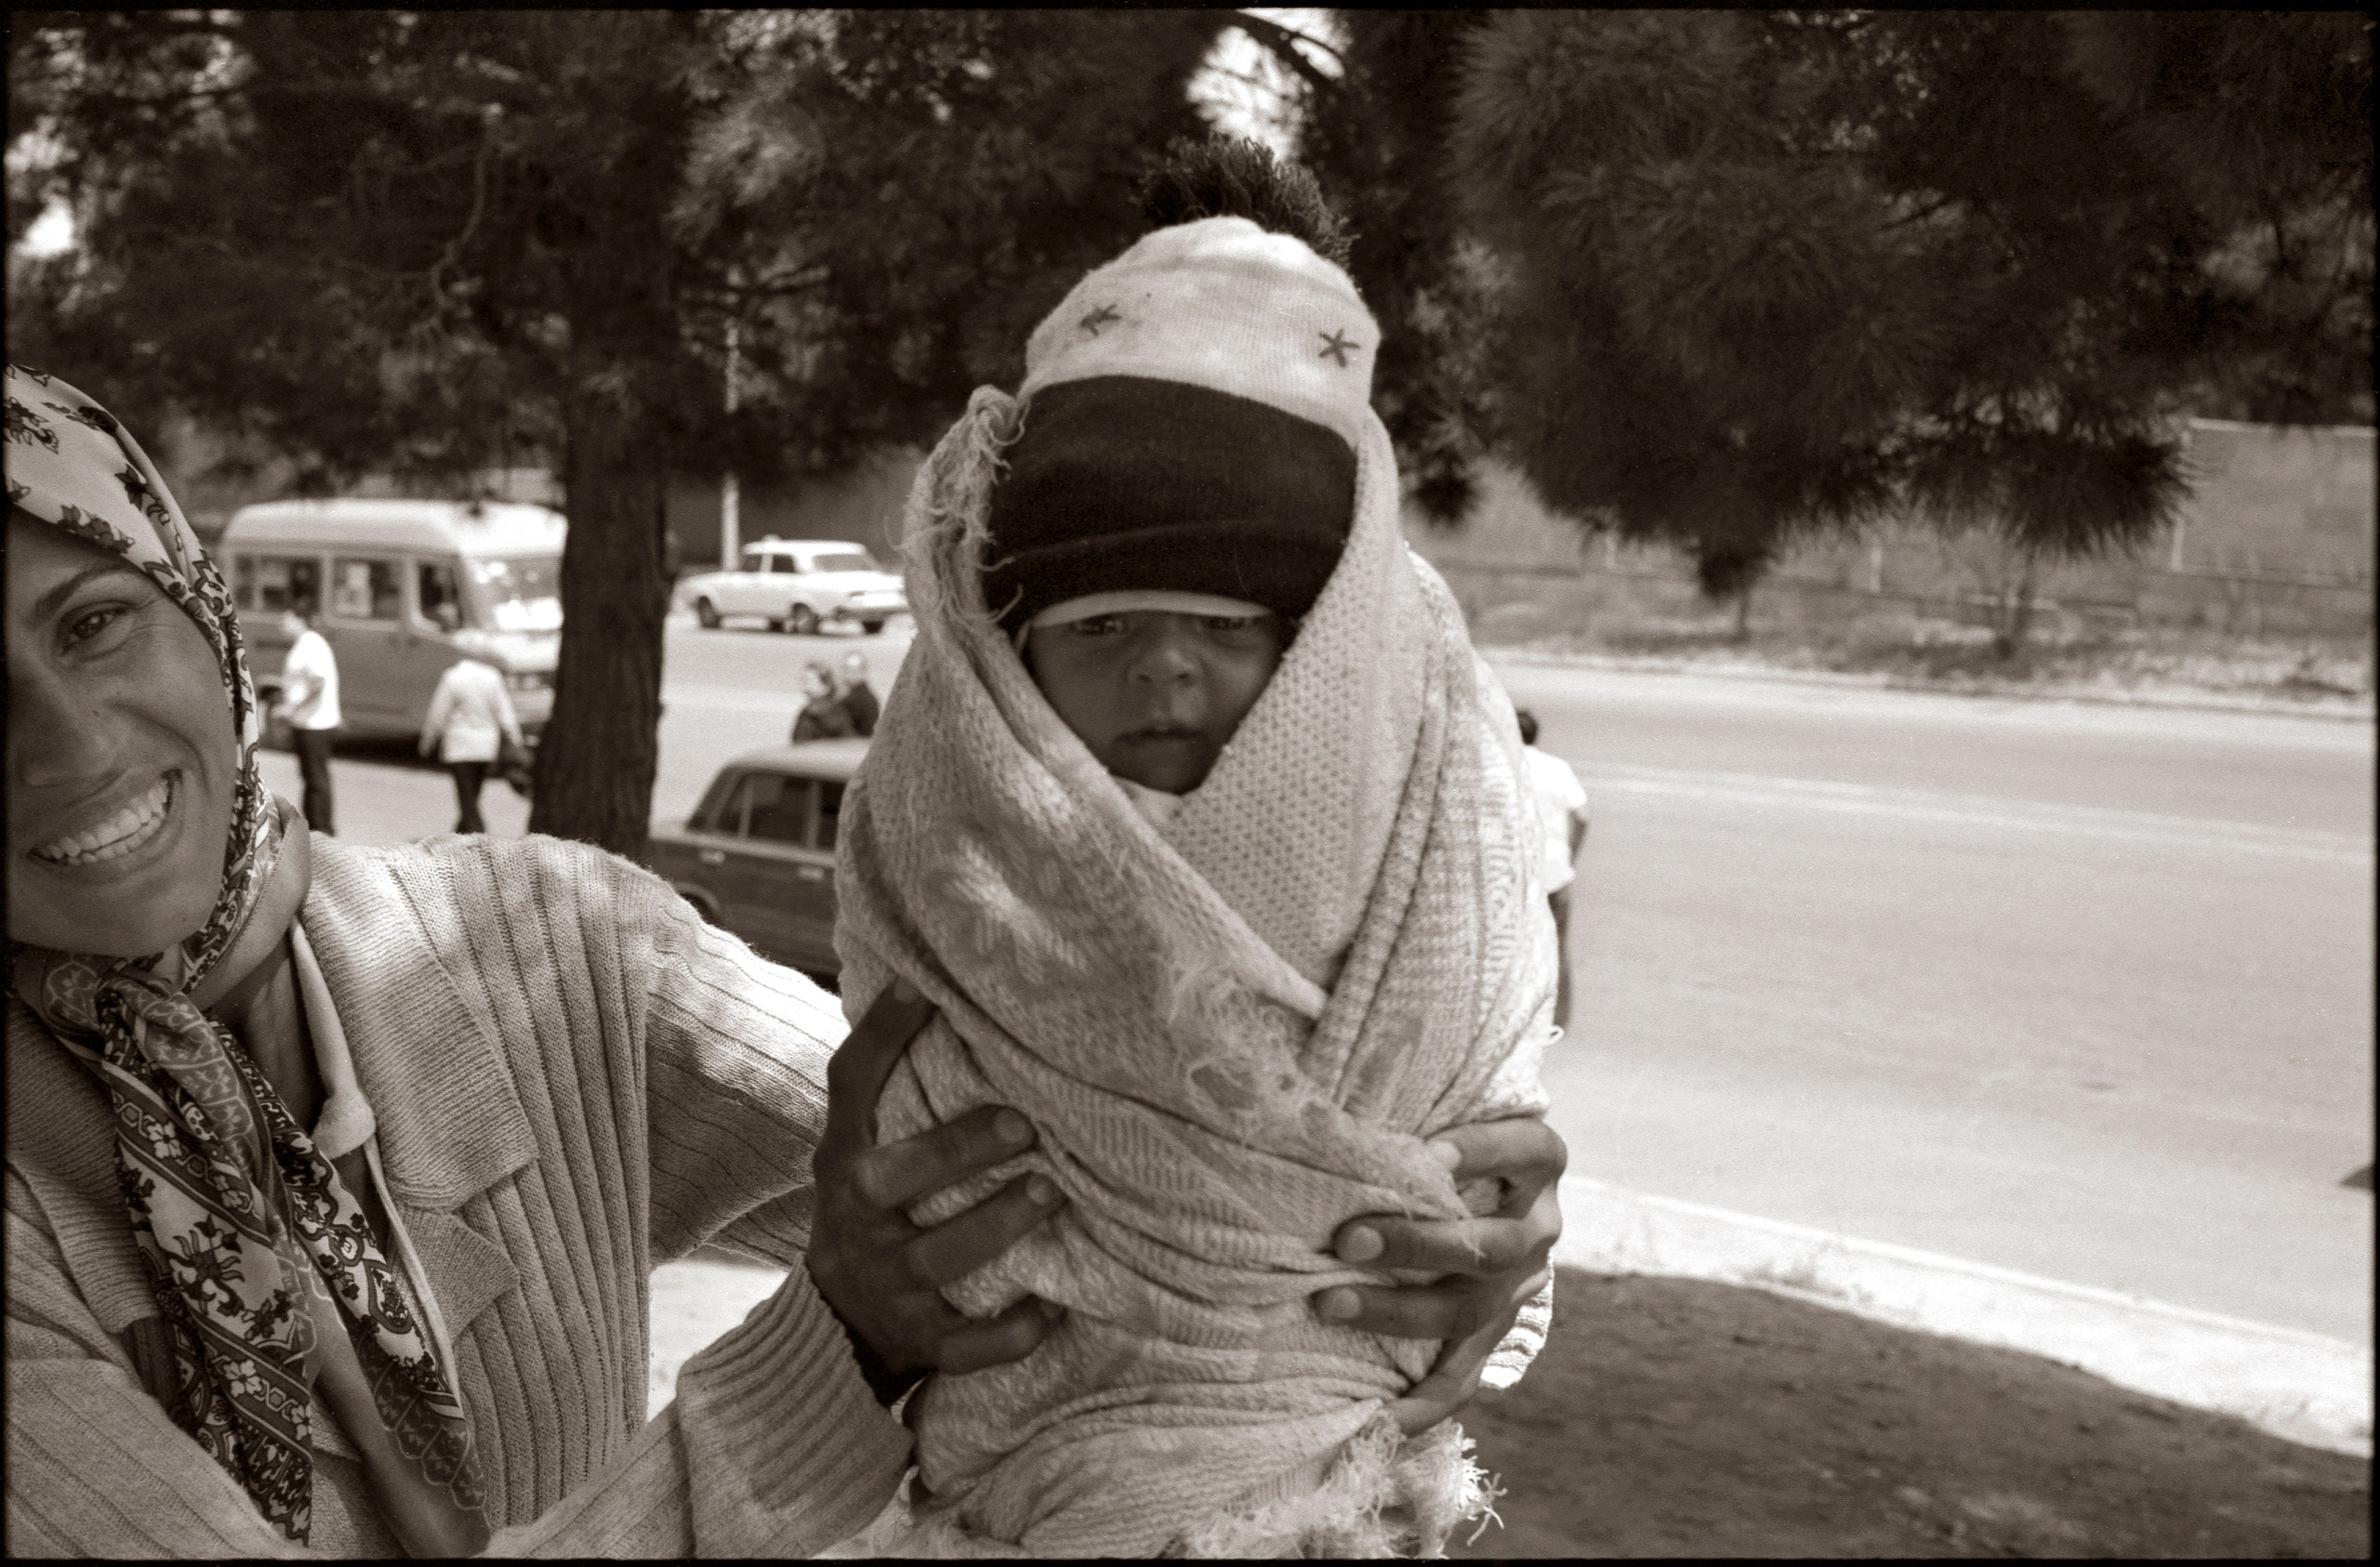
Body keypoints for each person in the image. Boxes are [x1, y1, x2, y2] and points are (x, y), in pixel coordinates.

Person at [4, 362, 1560, 1557]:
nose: (64, 747)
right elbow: (898, 1282)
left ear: (201, 613)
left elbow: (1075, 1179)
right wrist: (835, 1349)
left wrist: (1424, 1229)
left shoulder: (540, 946)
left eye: (92, 624)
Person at [829, 145, 1563, 1557]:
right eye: (1103, 627)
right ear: (1010, 667)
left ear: (1321, 652)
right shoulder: (949, 819)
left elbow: (1466, 1056)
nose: (1165, 670)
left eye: (1227, 629)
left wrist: (1452, 1209)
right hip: (1030, 1437)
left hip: (1335, 1446)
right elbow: (921, 1081)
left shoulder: (1425, 796)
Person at [1515, 707, 1590, 1034]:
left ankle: (1517, 1018)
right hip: (1555, 871)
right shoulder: (1557, 767)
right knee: (1557, 946)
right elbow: (1582, 816)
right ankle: (1558, 1021)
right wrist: (1570, 856)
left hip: (1516, 874)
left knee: (1514, 949)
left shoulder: (1503, 766)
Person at [418, 647, 525, 834]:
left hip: (459, 746)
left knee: (466, 796)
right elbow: (504, 712)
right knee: (473, 794)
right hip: (486, 746)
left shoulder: (453, 676)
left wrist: (428, 740)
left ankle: (478, 832)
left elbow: (438, 712)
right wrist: (516, 739)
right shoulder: (492, 677)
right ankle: (460, 834)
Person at [276, 602, 340, 835]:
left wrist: (291, 708)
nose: (281, 626)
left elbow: (318, 683)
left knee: (316, 779)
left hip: (315, 723)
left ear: (299, 620)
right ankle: (314, 827)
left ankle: (322, 830)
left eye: (286, 621)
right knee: (310, 777)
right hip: (306, 722)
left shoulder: (312, 645)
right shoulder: (304, 644)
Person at [788, 659, 856, 743]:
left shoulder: (819, 713)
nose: (804, 683)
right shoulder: (836, 709)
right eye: (803, 679)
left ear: (825, 684)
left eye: (809, 680)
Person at [836, 651, 879, 738]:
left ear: (863, 671)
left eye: (854, 670)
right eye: (846, 668)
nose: (849, 674)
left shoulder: (863, 699)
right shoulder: (848, 694)